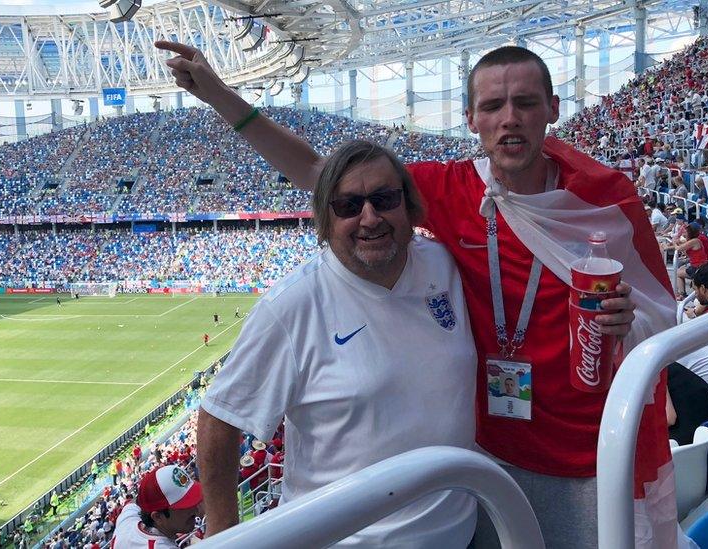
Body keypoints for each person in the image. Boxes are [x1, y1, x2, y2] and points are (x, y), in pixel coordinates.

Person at [158, 41, 676, 548]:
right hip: (489, 457)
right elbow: (322, 176)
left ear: (553, 110)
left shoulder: (602, 200)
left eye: (525, 103)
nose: (509, 118)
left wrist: (628, 320)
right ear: (471, 118)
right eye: (493, 105)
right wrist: (222, 96)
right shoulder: (449, 191)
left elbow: (660, 317)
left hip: (580, 452)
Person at [195, 141, 480, 545]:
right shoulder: (291, 306)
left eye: (385, 198)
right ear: (326, 219)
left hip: (459, 534)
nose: (370, 217)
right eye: (348, 205)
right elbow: (219, 418)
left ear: (409, 204)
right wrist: (221, 535)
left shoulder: (444, 264)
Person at [109, 465, 204, 549]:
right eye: (184, 506)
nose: (195, 509)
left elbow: (133, 503)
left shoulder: (127, 519)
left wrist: (150, 496)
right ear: (157, 517)